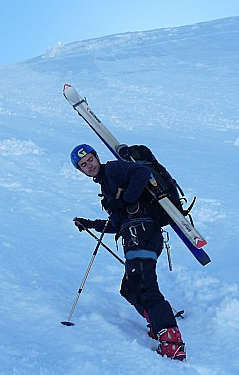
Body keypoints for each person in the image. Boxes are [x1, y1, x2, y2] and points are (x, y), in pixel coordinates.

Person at [70, 143, 186, 361]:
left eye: (90, 160)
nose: (89, 166)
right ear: (81, 171)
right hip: (134, 234)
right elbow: (118, 221)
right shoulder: (106, 185)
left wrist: (123, 200)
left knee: (144, 284)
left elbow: (142, 173)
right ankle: (156, 320)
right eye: (83, 165)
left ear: (97, 157)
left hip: (142, 231)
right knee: (129, 288)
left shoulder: (113, 169)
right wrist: (91, 224)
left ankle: (172, 341)